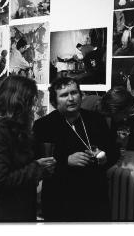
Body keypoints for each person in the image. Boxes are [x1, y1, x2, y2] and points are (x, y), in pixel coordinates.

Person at [33, 77, 120, 221]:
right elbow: (37, 164)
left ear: (81, 95)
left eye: (74, 93)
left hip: (94, 196)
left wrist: (105, 157)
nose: (71, 98)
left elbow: (114, 151)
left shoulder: (97, 120)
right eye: (64, 95)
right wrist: (65, 161)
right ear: (54, 101)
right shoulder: (44, 125)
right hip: (60, 199)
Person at [0, 76, 56, 221]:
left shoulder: (15, 127)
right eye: (30, 100)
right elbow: (1, 180)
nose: (33, 105)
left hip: (19, 208)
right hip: (1, 213)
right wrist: (37, 167)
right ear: (16, 101)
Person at [82, 86, 134, 158]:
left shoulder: (110, 117)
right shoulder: (88, 107)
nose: (126, 117)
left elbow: (110, 143)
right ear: (115, 110)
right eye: (126, 113)